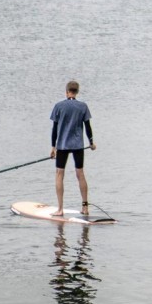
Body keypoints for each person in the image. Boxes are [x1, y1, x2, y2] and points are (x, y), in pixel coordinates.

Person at [49, 80, 96, 216]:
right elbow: (88, 127)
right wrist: (91, 142)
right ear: (77, 92)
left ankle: (60, 209)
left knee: (59, 174)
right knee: (80, 173)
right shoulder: (83, 107)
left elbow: (55, 129)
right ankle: (85, 207)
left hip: (62, 145)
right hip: (78, 146)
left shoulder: (58, 106)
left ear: (66, 91)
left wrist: (53, 147)